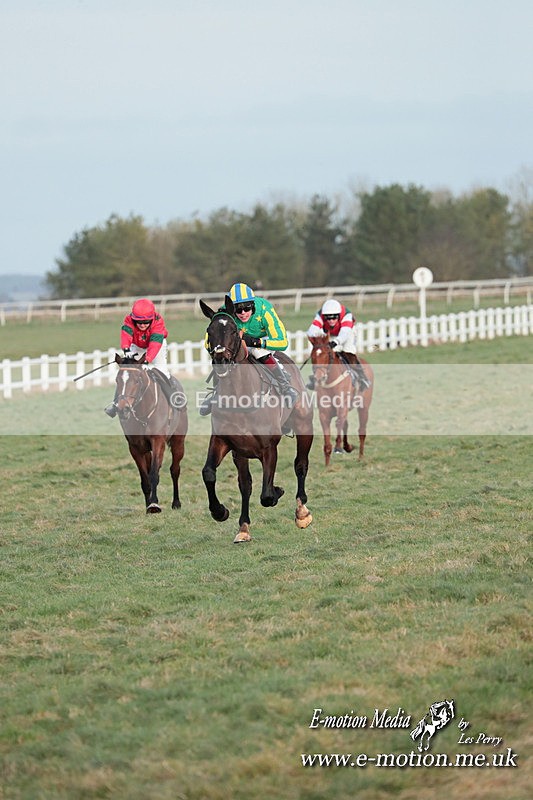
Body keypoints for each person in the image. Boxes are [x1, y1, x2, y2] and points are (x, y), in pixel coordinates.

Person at [199, 282, 298, 415]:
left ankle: (285, 387)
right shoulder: (224, 313)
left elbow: (282, 342)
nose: (243, 313)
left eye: (247, 308)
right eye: (238, 309)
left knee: (257, 351)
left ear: (253, 304)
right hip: (239, 343)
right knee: (222, 357)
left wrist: (257, 342)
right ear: (231, 307)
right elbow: (208, 343)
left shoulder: (264, 309)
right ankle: (216, 392)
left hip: (263, 341)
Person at [104, 298, 179, 417]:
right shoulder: (128, 320)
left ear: (151, 319)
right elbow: (126, 335)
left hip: (156, 345)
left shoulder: (158, 322)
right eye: (139, 322)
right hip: (137, 345)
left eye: (146, 322)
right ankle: (115, 404)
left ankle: (174, 399)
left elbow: (154, 345)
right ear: (133, 319)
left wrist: (147, 360)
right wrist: (126, 349)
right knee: (126, 373)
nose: (142, 325)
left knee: (162, 371)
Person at [306, 298, 371, 390]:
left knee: (349, 352)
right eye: (328, 318)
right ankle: (316, 376)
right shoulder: (320, 315)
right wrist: (317, 341)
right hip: (331, 333)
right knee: (322, 355)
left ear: (339, 315)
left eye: (334, 317)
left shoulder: (347, 315)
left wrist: (336, 342)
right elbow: (311, 330)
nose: (331, 320)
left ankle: (362, 377)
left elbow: (344, 333)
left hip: (348, 333)